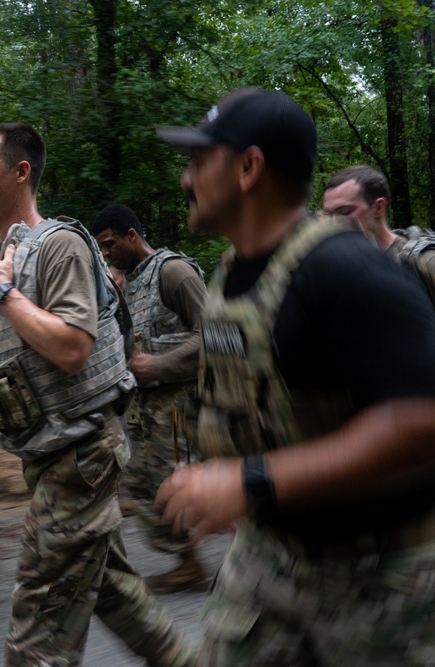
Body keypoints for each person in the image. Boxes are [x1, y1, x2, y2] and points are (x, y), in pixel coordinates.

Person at [156, 88, 435, 665]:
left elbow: (421, 419)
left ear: (248, 168)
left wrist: (252, 482)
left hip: (378, 580)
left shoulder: (343, 270)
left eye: (198, 160)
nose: (186, 178)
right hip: (269, 561)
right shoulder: (230, 273)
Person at [0, 123, 193, 666]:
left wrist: (1, 291)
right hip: (44, 451)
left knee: (37, 628)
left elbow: (71, 350)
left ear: (21, 172)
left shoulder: (58, 245)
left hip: (81, 452)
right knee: (114, 591)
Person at [90, 203, 208, 593]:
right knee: (145, 484)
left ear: (132, 236)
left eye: (110, 244)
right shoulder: (131, 280)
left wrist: (159, 365)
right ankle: (190, 555)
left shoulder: (173, 272)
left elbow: (219, 335)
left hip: (181, 406)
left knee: (162, 486)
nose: (107, 253)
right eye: (101, 248)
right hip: (150, 410)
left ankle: (192, 561)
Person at [322, 165, 435, 305]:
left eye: (345, 212)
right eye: (328, 215)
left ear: (378, 207)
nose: (334, 223)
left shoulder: (424, 261)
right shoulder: (336, 267)